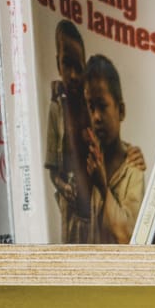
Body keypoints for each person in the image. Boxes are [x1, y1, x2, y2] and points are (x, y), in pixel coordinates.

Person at [81, 53, 147, 243]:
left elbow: (126, 236)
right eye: (91, 107)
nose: (96, 117)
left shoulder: (133, 169)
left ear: (121, 111)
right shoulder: (86, 158)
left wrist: (102, 186)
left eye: (102, 106)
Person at [46, 21, 92, 240]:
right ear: (58, 63)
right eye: (67, 64)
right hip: (71, 214)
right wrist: (63, 187)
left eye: (79, 67)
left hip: (96, 214)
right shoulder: (56, 110)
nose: (73, 75)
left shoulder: (92, 107)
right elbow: (53, 171)